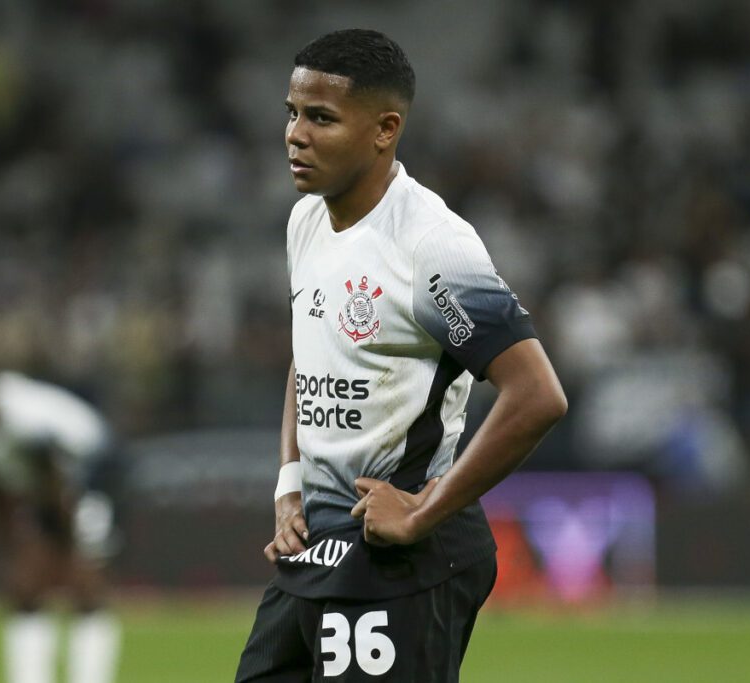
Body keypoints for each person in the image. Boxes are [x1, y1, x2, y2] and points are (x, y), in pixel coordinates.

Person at [235, 29, 567, 682]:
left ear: (385, 129)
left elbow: (537, 394)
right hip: (319, 550)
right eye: (292, 113)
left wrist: (421, 511)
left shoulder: (431, 246)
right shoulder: (306, 219)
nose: (295, 135)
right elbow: (310, 357)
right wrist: (290, 480)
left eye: (321, 117)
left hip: (406, 557)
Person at [0, 370, 124, 683]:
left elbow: (54, 475)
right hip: (50, 490)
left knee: (85, 583)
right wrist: (11, 546)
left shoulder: (21, 417)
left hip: (94, 469)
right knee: (25, 586)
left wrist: (64, 540)